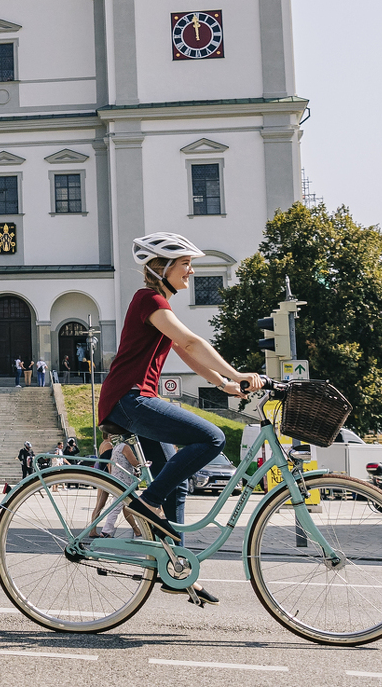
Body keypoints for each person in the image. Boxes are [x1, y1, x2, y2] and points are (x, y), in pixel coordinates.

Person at [98, 232, 264, 606]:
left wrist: (221, 383)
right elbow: (191, 342)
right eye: (185, 264)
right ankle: (145, 504)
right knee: (213, 438)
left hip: (135, 399)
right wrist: (237, 373)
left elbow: (183, 351)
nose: (191, 271)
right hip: (129, 398)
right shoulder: (149, 299)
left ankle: (176, 571)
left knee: (179, 484)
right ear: (162, 267)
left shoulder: (159, 306)